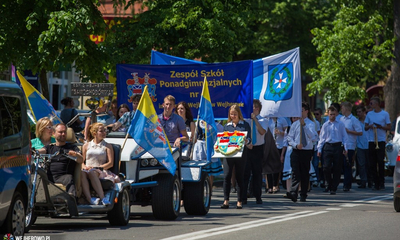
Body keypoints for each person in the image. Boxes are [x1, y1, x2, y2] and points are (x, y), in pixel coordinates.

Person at [38, 123, 83, 196]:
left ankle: (72, 200)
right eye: (60, 132)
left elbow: (81, 160)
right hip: (49, 176)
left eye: (64, 132)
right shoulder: (49, 147)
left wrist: (75, 154)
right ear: (54, 134)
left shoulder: (72, 147)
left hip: (63, 177)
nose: (63, 134)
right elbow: (41, 151)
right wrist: (33, 151)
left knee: (69, 178)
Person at [220, 105, 252, 209]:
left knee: (239, 176)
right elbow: (224, 139)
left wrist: (247, 141)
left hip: (240, 154)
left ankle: (239, 200)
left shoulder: (245, 125)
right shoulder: (227, 126)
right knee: (227, 176)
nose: (233, 116)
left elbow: (249, 139)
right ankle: (226, 200)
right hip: (229, 154)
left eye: (234, 114)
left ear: (239, 114)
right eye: (231, 114)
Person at [81, 123, 119, 205]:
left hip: (101, 170)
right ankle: (89, 199)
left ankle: (103, 198)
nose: (104, 132)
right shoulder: (86, 146)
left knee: (92, 172)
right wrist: (84, 167)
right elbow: (81, 161)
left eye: (105, 131)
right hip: (87, 169)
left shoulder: (107, 146)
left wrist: (97, 167)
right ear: (94, 133)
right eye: (101, 131)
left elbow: (110, 163)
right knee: (81, 173)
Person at [286, 102, 318, 202]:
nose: (300, 112)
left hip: (306, 151)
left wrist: (304, 126)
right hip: (296, 151)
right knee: (295, 171)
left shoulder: (311, 124)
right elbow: (289, 138)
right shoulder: (295, 124)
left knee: (304, 172)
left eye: (302, 110)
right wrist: (296, 145)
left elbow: (313, 137)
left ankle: (303, 193)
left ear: (306, 111)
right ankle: (293, 192)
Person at [317, 106, 348, 195]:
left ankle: (334, 187)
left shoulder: (340, 124)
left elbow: (344, 137)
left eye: (334, 114)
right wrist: (319, 149)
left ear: (336, 114)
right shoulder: (325, 125)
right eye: (331, 114)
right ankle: (328, 183)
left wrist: (346, 148)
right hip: (328, 146)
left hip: (338, 146)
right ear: (328, 114)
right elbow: (322, 138)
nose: (332, 116)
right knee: (326, 167)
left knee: (337, 167)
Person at [242, 100, 268, 204]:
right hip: (248, 148)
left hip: (258, 148)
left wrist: (255, 120)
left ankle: (258, 196)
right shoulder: (246, 120)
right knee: (245, 173)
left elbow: (262, 132)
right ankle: (243, 197)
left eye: (252, 107)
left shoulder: (263, 120)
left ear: (257, 108)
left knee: (257, 173)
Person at [365, 97, 391, 190]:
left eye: (372, 103)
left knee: (380, 161)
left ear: (377, 104)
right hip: (371, 140)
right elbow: (365, 127)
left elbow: (388, 127)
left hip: (380, 140)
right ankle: (375, 182)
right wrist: (370, 126)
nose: (370, 105)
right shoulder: (369, 114)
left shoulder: (385, 114)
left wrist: (381, 127)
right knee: (372, 163)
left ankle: (381, 182)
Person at [340, 102, 363, 191]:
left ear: (346, 109)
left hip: (350, 145)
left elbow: (360, 132)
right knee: (340, 165)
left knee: (347, 165)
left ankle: (347, 185)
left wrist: (349, 131)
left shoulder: (354, 120)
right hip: (341, 144)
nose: (341, 110)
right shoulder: (341, 119)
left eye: (342, 109)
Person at [265, 116, 288, 194]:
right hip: (270, 144)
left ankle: (275, 185)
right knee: (268, 165)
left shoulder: (282, 119)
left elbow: (287, 132)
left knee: (276, 166)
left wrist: (281, 133)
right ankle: (269, 186)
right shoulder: (268, 120)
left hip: (279, 145)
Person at [356, 106, 370, 188]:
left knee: (369, 164)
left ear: (364, 112)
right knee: (361, 164)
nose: (358, 114)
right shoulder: (356, 122)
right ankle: (363, 181)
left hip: (369, 144)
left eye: (360, 112)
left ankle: (370, 180)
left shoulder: (368, 121)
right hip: (360, 145)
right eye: (357, 112)